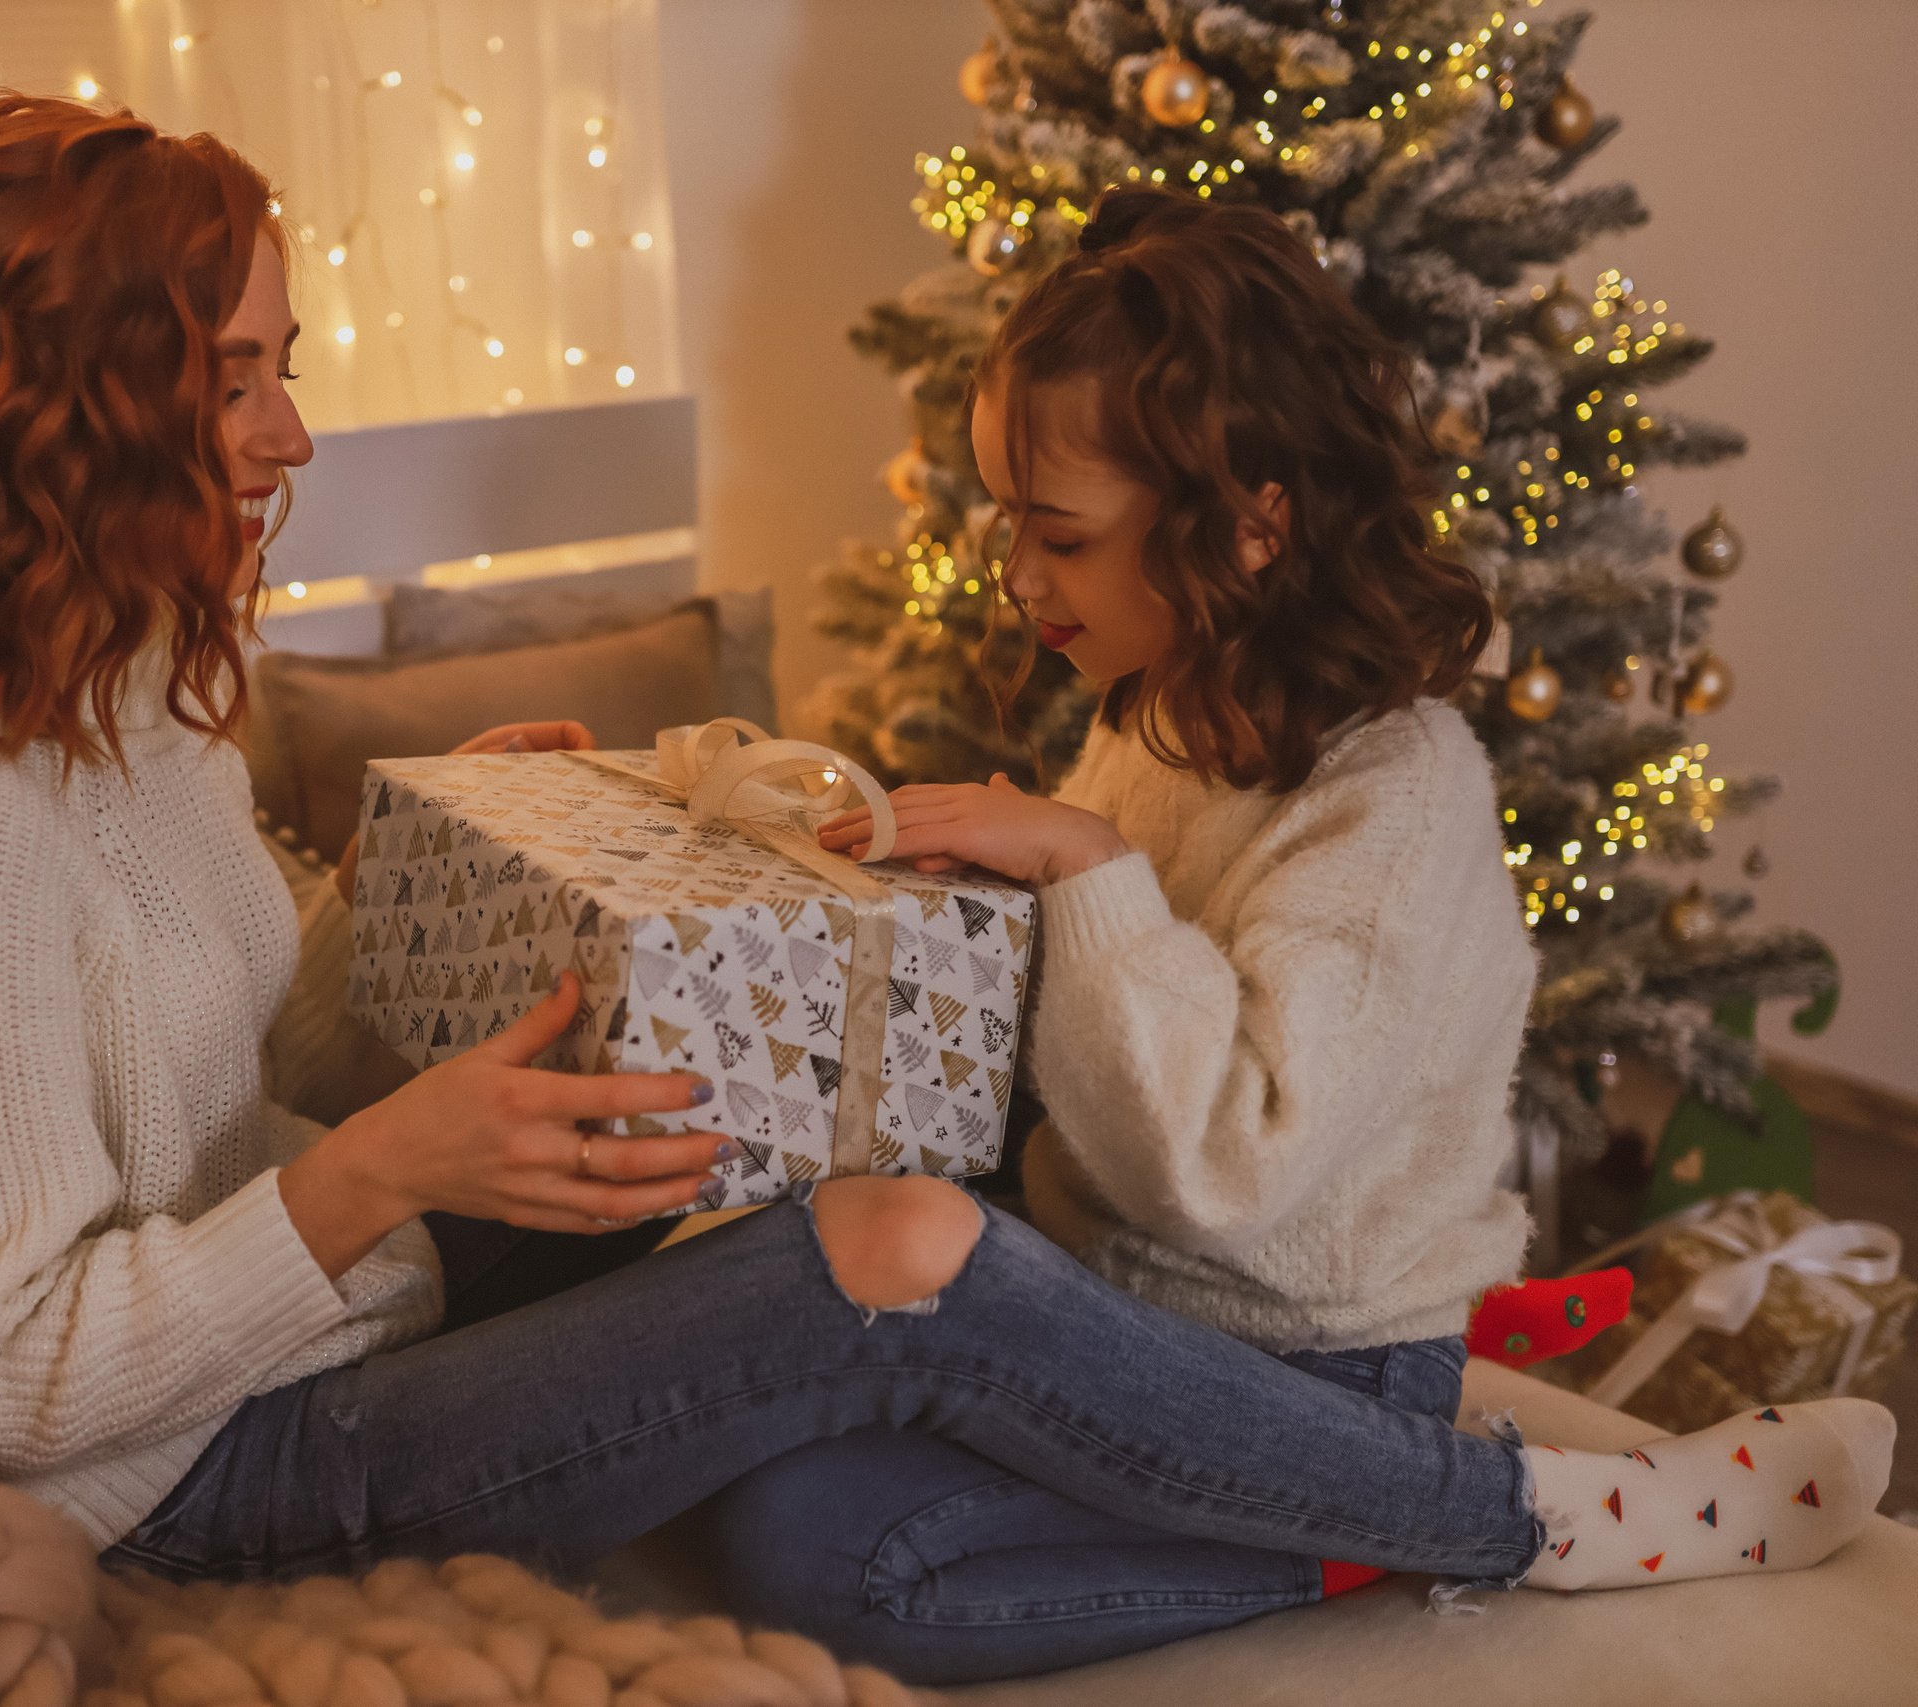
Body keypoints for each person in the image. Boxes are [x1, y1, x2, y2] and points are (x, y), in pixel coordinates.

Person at [0, 103, 1890, 1687]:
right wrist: (377, 1170)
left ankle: (1304, 1443)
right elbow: (22, 1380)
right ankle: (1496, 1510)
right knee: (865, 1245)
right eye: (233, 377)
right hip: (177, 1473)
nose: (290, 425)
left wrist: (417, 906)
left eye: (278, 360)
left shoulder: (129, 695)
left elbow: (244, 1077)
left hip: (300, 1323)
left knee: (753, 1158)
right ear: (78, 408)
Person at [782, 184, 1892, 1675]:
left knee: (829, 1559)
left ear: (1250, 529)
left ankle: (1426, 1510)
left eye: (1058, 532)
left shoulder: (1395, 795)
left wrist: (1088, 871)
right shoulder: (1162, 710)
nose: (1023, 575)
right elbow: (1106, 1038)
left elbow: (1227, 1168)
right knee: (782, 1448)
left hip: (1309, 1361)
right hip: (1124, 1312)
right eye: (1005, 522)